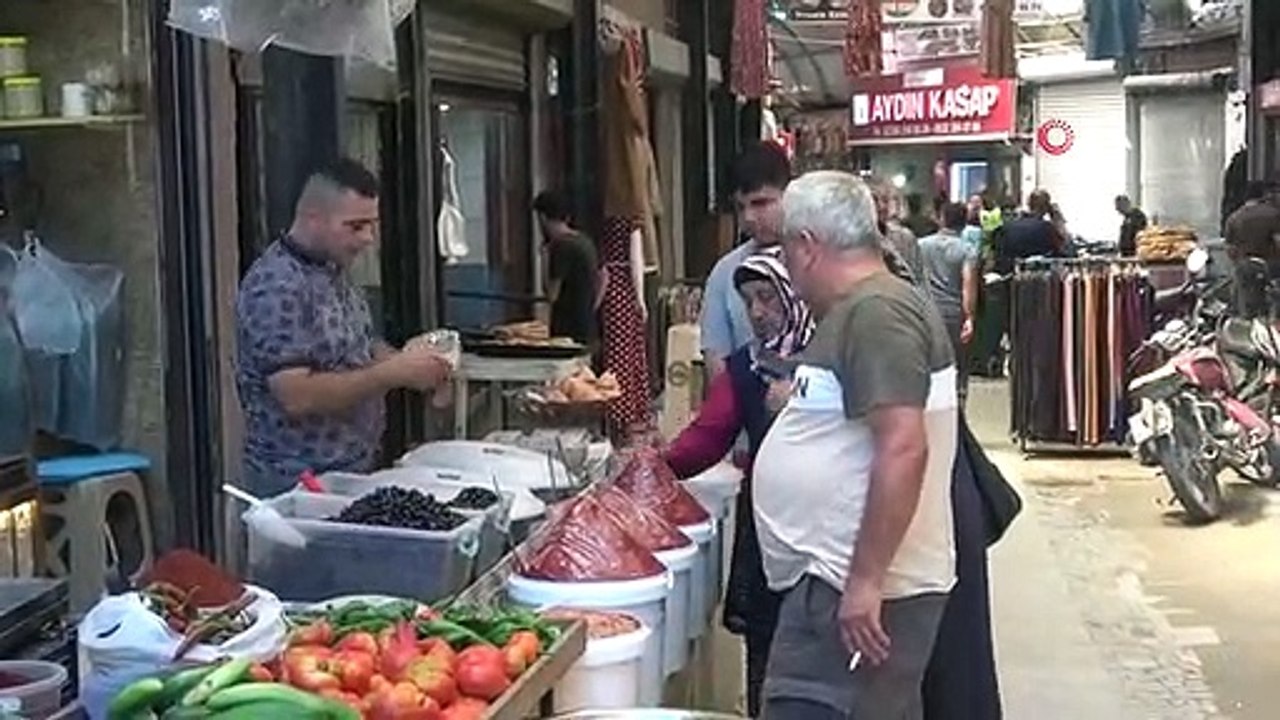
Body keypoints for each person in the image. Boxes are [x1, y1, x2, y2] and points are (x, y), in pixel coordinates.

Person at [755, 171, 959, 719]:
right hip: (841, 583)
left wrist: (865, 582)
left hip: (857, 589)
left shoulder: (877, 313)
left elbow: (903, 447)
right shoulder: (869, 308)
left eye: (786, 252)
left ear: (806, 247)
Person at [235, 159, 452, 496]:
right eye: (355, 226)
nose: (368, 239)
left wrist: (415, 363)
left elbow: (357, 345)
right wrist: (392, 374)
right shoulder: (277, 284)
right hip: (297, 486)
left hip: (351, 469)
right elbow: (296, 395)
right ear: (312, 218)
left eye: (372, 225)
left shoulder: (334, 267)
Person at [664, 246, 814, 718]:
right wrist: (654, 466)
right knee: (767, 652)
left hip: (828, 532)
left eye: (768, 297)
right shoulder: (747, 369)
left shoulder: (835, 360)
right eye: (749, 300)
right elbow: (707, 438)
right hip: (768, 528)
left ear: (794, 295)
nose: (758, 312)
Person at [700, 142, 792, 378]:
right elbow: (717, 363)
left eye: (761, 203)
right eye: (740, 207)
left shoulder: (817, 261)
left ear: (790, 195)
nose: (749, 217)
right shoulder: (725, 272)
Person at [919, 202, 980, 401]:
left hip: (927, 312)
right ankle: (957, 408)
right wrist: (969, 317)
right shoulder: (967, 250)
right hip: (955, 314)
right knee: (958, 366)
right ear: (964, 223)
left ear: (942, 219)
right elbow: (968, 285)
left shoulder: (921, 245)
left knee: (930, 364)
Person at [533, 190, 600, 346]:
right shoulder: (585, 242)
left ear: (542, 218)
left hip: (567, 331)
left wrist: (544, 258)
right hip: (588, 326)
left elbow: (551, 294)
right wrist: (590, 306)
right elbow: (603, 277)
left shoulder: (561, 247)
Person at [1223, 181, 1280, 318]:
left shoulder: (1234, 217)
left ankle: (1245, 322)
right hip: (1271, 265)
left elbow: (1230, 249)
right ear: (1263, 196)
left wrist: (1238, 262)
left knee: (1244, 300)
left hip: (1245, 265)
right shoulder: (1273, 214)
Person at [994, 189, 1064, 274]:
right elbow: (1065, 250)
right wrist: (1058, 220)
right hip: (1040, 278)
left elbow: (999, 257)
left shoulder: (1008, 227)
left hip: (1012, 278)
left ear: (1029, 204)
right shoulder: (1047, 229)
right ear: (1046, 208)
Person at [870, 179, 923, 282]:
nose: (881, 207)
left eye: (885, 201)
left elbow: (918, 278)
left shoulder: (904, 238)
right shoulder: (854, 241)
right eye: (874, 200)